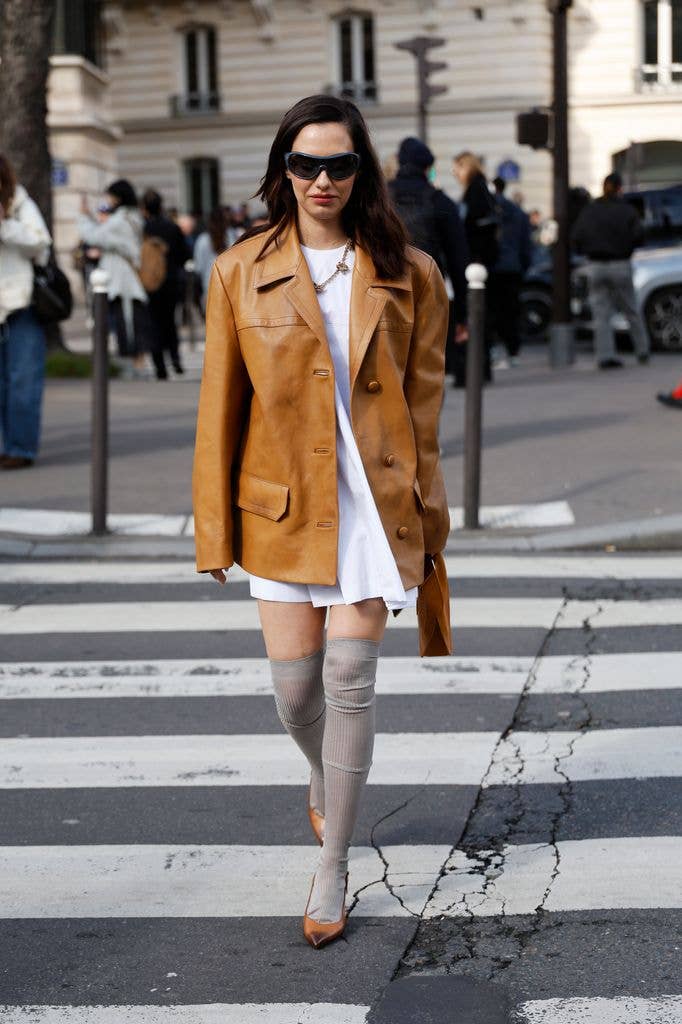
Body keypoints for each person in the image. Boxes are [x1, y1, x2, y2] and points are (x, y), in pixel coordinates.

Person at [193, 94, 451, 949]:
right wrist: (213, 533)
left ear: (362, 172)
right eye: (305, 164)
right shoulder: (239, 271)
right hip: (283, 508)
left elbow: (424, 414)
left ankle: (334, 860)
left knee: (349, 680)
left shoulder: (411, 272)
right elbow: (218, 413)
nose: (321, 180)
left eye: (339, 164)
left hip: (374, 507)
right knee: (297, 693)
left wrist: (431, 529)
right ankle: (322, 778)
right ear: (283, 172)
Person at [389, 137, 469, 356]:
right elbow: (458, 260)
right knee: (427, 367)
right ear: (428, 166)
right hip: (428, 293)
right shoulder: (440, 201)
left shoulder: (379, 198)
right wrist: (462, 314)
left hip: (383, 293)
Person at [0, 154, 52, 469]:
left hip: (22, 303)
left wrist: (5, 226)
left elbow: (40, 242)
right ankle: (7, 445)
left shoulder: (20, 204)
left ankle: (20, 448)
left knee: (22, 380)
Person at [572, 172, 649, 369]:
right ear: (619, 188)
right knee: (630, 309)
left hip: (596, 264)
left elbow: (577, 237)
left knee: (601, 314)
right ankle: (642, 351)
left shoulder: (590, 210)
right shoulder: (627, 211)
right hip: (620, 262)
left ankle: (605, 356)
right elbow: (639, 235)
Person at [78, 179, 151, 377]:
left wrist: (83, 217)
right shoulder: (131, 217)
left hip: (120, 278)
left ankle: (132, 364)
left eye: (109, 195)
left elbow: (94, 236)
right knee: (132, 319)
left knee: (125, 320)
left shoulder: (120, 220)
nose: (107, 199)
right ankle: (137, 362)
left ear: (118, 197)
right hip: (128, 276)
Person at [452, 151, 500, 387]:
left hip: (476, 263)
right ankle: (481, 369)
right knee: (480, 317)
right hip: (481, 261)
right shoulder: (480, 189)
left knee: (477, 316)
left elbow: (477, 228)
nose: (455, 174)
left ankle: (477, 370)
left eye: (457, 168)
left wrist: (472, 257)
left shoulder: (476, 191)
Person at [141, 189, 189, 378]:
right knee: (170, 322)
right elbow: (185, 254)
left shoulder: (143, 230)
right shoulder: (172, 227)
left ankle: (159, 365)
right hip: (170, 281)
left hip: (149, 283)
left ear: (144, 208)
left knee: (153, 324)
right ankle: (176, 359)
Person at [489, 176, 533, 366]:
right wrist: (522, 267)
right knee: (511, 311)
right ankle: (513, 351)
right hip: (512, 268)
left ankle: (492, 350)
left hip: (490, 268)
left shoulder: (487, 210)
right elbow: (526, 246)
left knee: (491, 311)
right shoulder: (518, 213)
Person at [192, 207, 228, 313]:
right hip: (229, 285)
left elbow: (198, 267)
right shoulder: (231, 237)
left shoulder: (202, 240)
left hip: (209, 286)